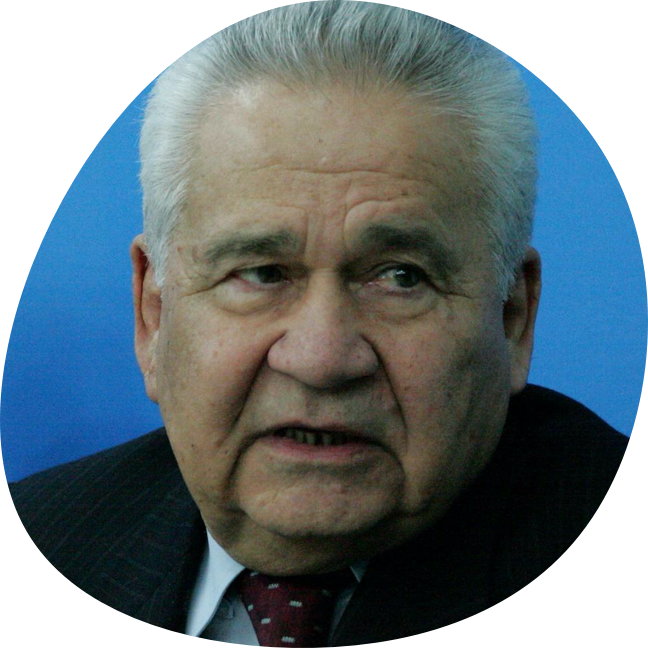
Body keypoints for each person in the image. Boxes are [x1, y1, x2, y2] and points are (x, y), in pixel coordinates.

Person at [8, 2, 629, 644]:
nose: (322, 358)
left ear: (512, 318)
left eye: (401, 277)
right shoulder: (51, 534)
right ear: (154, 315)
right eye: (261, 273)